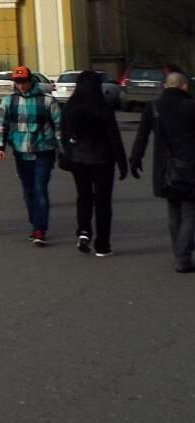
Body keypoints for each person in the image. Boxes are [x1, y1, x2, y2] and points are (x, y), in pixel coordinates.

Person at [53, 69, 126, 256]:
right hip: (103, 160)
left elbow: (64, 134)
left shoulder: (71, 106)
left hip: (79, 159)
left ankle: (84, 231)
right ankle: (102, 245)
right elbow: (114, 138)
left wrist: (67, 154)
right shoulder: (103, 107)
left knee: (84, 197)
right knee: (103, 202)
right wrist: (122, 163)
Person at [129, 71, 195, 273]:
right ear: (184, 86)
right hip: (190, 168)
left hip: (164, 169)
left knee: (173, 213)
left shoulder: (153, 107)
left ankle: (179, 252)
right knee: (190, 213)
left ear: (166, 86)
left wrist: (135, 159)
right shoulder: (192, 106)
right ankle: (182, 256)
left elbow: (142, 137)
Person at [0, 65, 58, 245]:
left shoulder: (47, 101)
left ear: (31, 81)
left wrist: (62, 150)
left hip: (43, 151)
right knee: (28, 190)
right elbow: (1, 124)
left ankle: (40, 229)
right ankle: (35, 222)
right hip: (21, 152)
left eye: (23, 81)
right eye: (17, 82)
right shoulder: (8, 102)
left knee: (40, 189)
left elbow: (59, 125)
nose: (21, 85)